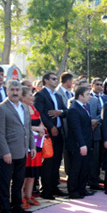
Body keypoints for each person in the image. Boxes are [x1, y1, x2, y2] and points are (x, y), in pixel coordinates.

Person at [0, 80, 36, 213]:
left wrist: (32, 146)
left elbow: (27, 129)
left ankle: (17, 206)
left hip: (22, 151)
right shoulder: (0, 108)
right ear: (7, 91)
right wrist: (5, 152)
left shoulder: (24, 107)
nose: (15, 92)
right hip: (7, 152)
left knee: (18, 181)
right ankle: (4, 210)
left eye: (17, 90)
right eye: (12, 89)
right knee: (5, 182)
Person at [34, 72, 67, 200]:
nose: (56, 81)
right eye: (53, 79)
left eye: (56, 79)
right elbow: (40, 113)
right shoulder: (40, 95)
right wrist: (50, 126)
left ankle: (54, 186)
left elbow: (66, 110)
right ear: (46, 81)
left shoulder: (58, 96)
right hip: (48, 133)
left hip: (59, 131)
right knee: (48, 162)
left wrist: (61, 112)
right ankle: (46, 189)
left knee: (56, 161)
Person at [65, 86, 95, 199]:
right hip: (77, 145)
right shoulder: (74, 109)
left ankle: (82, 189)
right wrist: (82, 144)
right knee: (75, 169)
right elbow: (76, 129)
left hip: (86, 143)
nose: (90, 97)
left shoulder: (85, 107)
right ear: (80, 96)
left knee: (84, 168)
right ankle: (73, 191)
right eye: (88, 94)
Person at [21, 86, 44, 208]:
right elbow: (21, 126)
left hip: (36, 144)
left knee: (32, 174)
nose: (32, 97)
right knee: (23, 174)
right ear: (22, 97)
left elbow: (39, 121)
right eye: (30, 95)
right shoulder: (20, 109)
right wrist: (36, 129)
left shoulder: (33, 108)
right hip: (24, 145)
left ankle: (28, 196)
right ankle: (20, 197)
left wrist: (41, 128)